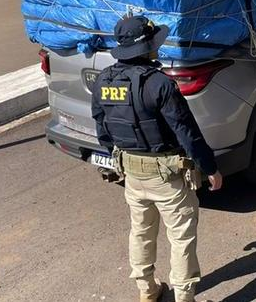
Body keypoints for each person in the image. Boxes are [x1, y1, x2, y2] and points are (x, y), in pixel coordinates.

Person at [91, 15, 223, 302]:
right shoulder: (159, 84)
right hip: (167, 177)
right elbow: (186, 132)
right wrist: (210, 168)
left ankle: (147, 290)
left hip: (132, 175)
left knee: (141, 232)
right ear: (147, 48)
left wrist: (123, 157)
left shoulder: (103, 81)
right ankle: (184, 298)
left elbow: (102, 131)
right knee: (181, 238)